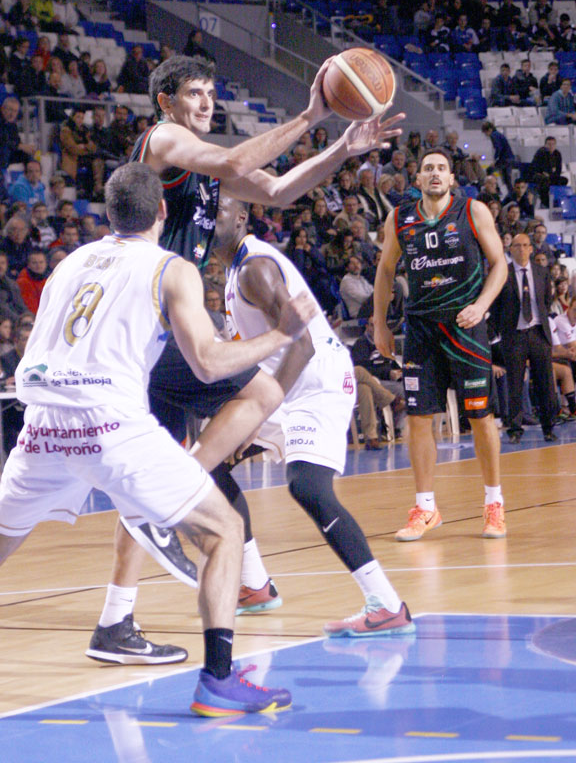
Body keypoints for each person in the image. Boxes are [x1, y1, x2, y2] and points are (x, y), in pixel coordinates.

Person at [0, 162, 320, 717]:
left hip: (43, 423)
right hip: (109, 423)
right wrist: (280, 334)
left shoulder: (70, 261)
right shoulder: (172, 268)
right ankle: (218, 681)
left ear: (107, 212)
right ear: (164, 212)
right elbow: (208, 364)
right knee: (225, 529)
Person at [86, 54, 403, 662]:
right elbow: (236, 160)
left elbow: (280, 191)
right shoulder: (165, 141)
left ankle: (115, 621)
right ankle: (185, 491)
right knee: (257, 389)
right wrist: (312, 113)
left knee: (143, 480)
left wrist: (343, 147)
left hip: (153, 335)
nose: (205, 103)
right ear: (166, 103)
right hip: (149, 329)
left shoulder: (204, 173)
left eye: (210, 92)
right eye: (193, 93)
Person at [218, 194, 414, 634]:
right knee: (209, 463)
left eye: (219, 211)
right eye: (204, 211)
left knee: (307, 486)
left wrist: (256, 414)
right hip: (282, 383)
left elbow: (301, 344)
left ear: (242, 217)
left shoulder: (255, 269)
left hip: (315, 378)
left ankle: (385, 603)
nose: (209, 219)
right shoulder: (232, 270)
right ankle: (253, 584)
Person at [374, 148, 508, 541]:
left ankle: (493, 503)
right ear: (416, 179)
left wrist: (481, 306)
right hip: (421, 329)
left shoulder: (473, 211)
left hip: (465, 326)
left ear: (452, 179)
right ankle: (426, 508)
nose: (435, 174)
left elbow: (498, 264)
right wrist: (380, 325)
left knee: (480, 415)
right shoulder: (400, 218)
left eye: (442, 169)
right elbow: (385, 271)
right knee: (418, 418)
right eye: (427, 168)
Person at [490, 233, 557, 444]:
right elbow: (496, 306)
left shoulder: (541, 272)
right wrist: (502, 332)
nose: (521, 249)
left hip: (538, 333)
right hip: (515, 335)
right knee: (515, 384)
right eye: (517, 245)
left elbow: (546, 301)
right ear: (511, 249)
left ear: (531, 249)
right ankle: (515, 429)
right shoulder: (503, 273)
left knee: (545, 382)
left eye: (525, 245)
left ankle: (549, 427)